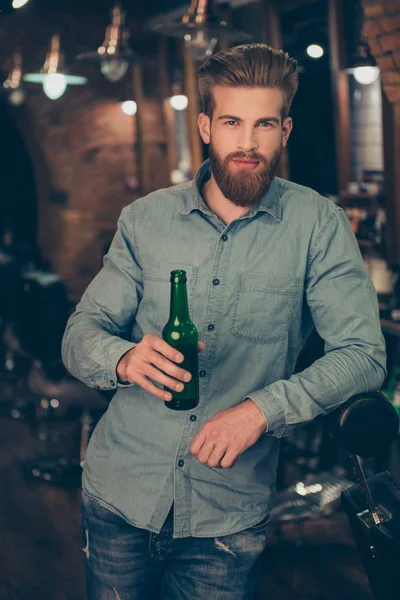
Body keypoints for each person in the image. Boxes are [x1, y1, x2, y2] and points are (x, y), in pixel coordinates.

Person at [62, 43, 387, 600]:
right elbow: (79, 333)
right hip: (119, 491)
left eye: (264, 124)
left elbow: (363, 356)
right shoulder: (145, 220)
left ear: (285, 131)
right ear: (207, 126)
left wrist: (262, 410)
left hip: (227, 515)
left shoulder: (319, 225)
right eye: (232, 122)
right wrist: (122, 357)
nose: (247, 143)